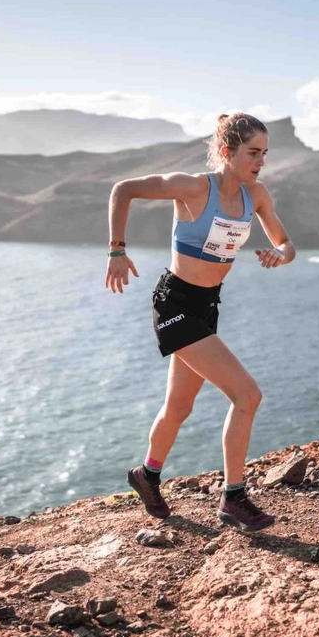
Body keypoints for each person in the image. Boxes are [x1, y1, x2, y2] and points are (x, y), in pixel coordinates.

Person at [104, 113, 295, 533]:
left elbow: (286, 242)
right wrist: (117, 250)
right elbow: (125, 189)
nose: (260, 161)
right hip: (174, 303)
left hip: (207, 306)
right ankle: (234, 498)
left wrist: (280, 255)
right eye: (252, 153)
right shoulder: (193, 188)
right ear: (227, 151)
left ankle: (147, 475)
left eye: (264, 153)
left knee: (179, 406)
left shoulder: (256, 195)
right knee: (247, 395)